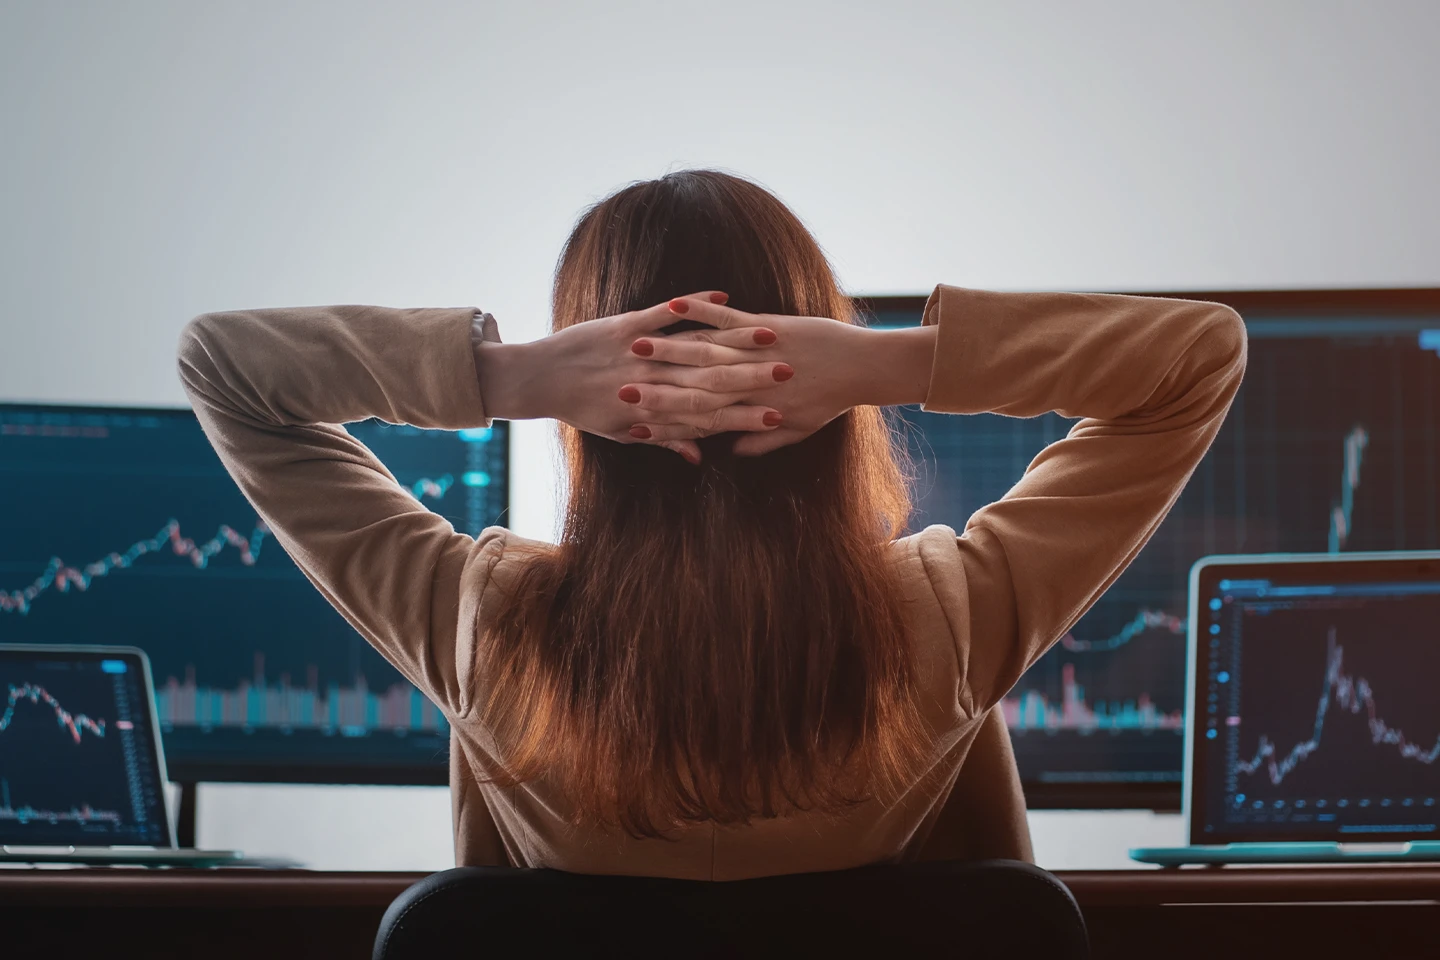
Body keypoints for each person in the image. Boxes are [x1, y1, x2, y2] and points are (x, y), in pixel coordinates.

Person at [177, 170, 1246, 880]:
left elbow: (223, 367)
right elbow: (1196, 359)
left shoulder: (478, 623)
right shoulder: (949, 619)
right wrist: (884, 362)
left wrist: (512, 376)